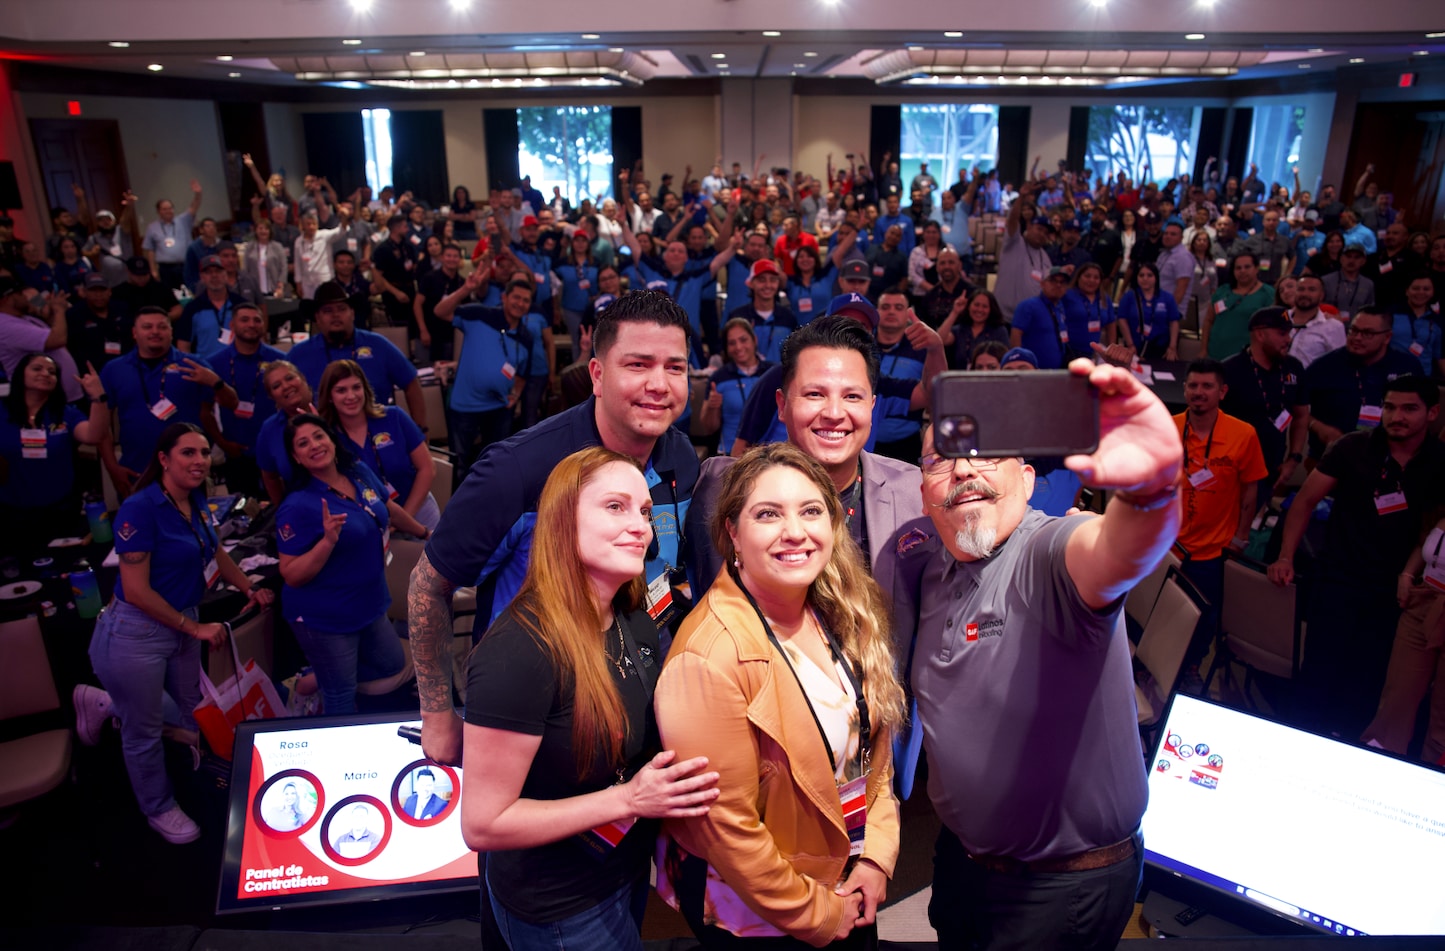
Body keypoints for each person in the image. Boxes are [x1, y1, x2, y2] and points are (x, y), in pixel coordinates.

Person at [911, 355, 1184, 951]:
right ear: (923, 491)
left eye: (986, 453)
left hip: (1059, 889)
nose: (963, 471)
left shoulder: (1047, 553)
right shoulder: (933, 566)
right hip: (965, 859)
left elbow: (1113, 550)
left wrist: (1150, 493)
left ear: (1028, 479)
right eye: (941, 459)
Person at [409, 291, 701, 769]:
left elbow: (665, 578)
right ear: (597, 375)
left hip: (641, 706)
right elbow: (427, 587)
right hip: (539, 722)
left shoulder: (681, 457)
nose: (659, 384)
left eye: (675, 367)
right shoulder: (517, 470)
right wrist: (438, 714)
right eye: (638, 365)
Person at [460, 446, 719, 951]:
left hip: (621, 870)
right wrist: (627, 800)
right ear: (561, 521)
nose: (640, 526)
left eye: (645, 512)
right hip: (560, 904)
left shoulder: (632, 617)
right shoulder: (519, 651)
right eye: (615, 507)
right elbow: (484, 824)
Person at [655, 443, 905, 948]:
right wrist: (818, 915)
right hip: (762, 919)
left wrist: (877, 852)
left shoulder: (839, 609)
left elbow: (870, 756)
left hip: (847, 882)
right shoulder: (709, 656)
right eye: (768, 514)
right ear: (733, 533)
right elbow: (728, 830)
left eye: (811, 511)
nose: (795, 531)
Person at [88, 422, 273, 843]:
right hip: (137, 634)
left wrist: (249, 587)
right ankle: (157, 807)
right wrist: (194, 627)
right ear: (164, 459)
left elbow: (217, 552)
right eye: (188, 453)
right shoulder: (140, 507)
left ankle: (108, 705)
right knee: (144, 731)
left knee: (194, 711)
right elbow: (135, 590)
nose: (199, 461)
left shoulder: (195, 502)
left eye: (205, 453)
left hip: (182, 625)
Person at [1269, 376, 1445, 740]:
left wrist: (1410, 573)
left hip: (1394, 593)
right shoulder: (1353, 447)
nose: (1396, 416)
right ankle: (1295, 745)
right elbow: (1303, 502)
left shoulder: (1439, 460)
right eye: (1390, 407)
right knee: (1318, 674)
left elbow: (1433, 527)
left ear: (1432, 413)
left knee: (1367, 682)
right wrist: (1286, 556)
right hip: (1339, 580)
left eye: (1409, 408)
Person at [276, 413, 427, 714]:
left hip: (369, 605)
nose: (315, 445)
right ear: (296, 457)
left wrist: (424, 533)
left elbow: (387, 508)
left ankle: (316, 675)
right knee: (341, 694)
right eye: (303, 444)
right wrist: (327, 541)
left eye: (319, 436)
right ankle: (323, 715)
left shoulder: (357, 471)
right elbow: (291, 575)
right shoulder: (297, 506)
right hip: (327, 617)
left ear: (331, 439)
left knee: (391, 664)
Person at [1173, 359, 1268, 668]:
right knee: (1160, 612)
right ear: (1185, 389)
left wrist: (1241, 537)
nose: (1199, 392)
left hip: (1214, 552)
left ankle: (1190, 671)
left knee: (1203, 618)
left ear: (1222, 392)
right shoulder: (1167, 428)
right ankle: (1152, 669)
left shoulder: (1243, 434)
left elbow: (1250, 491)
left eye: (1207, 386)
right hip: (1167, 547)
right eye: (1193, 386)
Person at [99, 307, 238, 498]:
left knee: (192, 526)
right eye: (147, 327)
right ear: (134, 332)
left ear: (171, 331)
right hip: (137, 469)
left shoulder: (193, 364)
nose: (155, 331)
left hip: (189, 471)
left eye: (162, 327)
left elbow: (232, 404)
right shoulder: (114, 370)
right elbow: (101, 425)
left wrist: (215, 382)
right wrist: (112, 468)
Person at [0, 353, 108, 553]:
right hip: (12, 513)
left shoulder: (66, 413)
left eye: (52, 372)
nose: (45, 374)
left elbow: (94, 435)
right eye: (37, 368)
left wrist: (98, 397)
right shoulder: (2, 412)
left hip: (62, 511)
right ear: (20, 374)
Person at [1362, 505, 1445, 762]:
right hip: (1423, 601)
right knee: (1396, 699)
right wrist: (1408, 574)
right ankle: (1376, 770)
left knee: (1442, 720)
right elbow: (1426, 545)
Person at [318, 359, 439, 533]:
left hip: (419, 513)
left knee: (428, 561)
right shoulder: (328, 438)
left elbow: (427, 468)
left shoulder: (394, 417)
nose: (351, 396)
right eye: (341, 390)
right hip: (369, 526)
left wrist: (404, 519)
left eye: (356, 387)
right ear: (329, 397)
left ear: (365, 389)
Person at [434, 270, 536, 470]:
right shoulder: (479, 314)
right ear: (504, 297)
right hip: (465, 407)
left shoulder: (526, 337)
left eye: (526, 300)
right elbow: (440, 311)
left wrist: (515, 395)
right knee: (460, 465)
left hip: (498, 410)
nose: (520, 303)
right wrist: (466, 288)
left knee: (496, 465)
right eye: (516, 297)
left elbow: (523, 374)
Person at [288, 281, 425, 425]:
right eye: (328, 310)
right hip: (323, 438)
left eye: (342, 309)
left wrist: (421, 429)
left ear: (352, 313)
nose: (335, 315)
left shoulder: (377, 345)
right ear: (317, 318)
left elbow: (411, 383)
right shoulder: (299, 355)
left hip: (378, 433)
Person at [1302, 308, 1421, 460]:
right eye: (1353, 330)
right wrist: (1318, 427)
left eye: (1367, 333)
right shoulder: (1323, 366)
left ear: (1387, 337)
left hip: (1391, 457)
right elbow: (1295, 408)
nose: (1357, 338)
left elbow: (1423, 409)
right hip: (1331, 457)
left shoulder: (1407, 366)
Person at [1219, 308, 1310, 494]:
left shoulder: (1294, 367)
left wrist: (1293, 459)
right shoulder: (1229, 370)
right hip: (1230, 466)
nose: (1288, 339)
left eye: (1289, 333)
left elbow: (1301, 416)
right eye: (1282, 333)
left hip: (1272, 467)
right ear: (1260, 334)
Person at [203, 303, 283, 498]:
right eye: (244, 319)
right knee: (243, 516)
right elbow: (204, 410)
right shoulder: (213, 363)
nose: (251, 324)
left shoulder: (280, 361)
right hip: (236, 454)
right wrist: (221, 443)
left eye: (257, 320)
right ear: (232, 324)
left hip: (276, 450)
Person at [698, 318, 773, 458]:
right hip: (731, 456)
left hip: (771, 456)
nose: (738, 347)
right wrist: (712, 407)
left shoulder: (773, 373)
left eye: (743, 340)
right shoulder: (718, 378)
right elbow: (709, 428)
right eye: (732, 343)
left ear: (754, 340)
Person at [255, 359, 316, 504]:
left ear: (302, 378)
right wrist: (282, 507)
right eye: (276, 386)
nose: (286, 386)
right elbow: (269, 476)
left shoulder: (331, 408)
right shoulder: (269, 429)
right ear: (272, 397)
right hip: (303, 508)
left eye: (289, 378)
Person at [1204, 252, 1274, 360]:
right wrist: (1203, 350)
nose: (1242, 271)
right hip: (1214, 354)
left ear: (1256, 269)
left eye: (1247, 267)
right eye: (1238, 268)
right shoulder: (1222, 291)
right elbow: (1208, 320)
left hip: (1246, 358)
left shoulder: (1267, 294)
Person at [729, 259, 798, 366]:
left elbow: (794, 354)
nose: (768, 285)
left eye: (773, 280)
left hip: (780, 379)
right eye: (761, 280)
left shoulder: (788, 317)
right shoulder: (738, 317)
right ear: (751, 283)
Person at [175, 254, 244, 359]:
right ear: (202, 277)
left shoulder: (241, 305)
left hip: (238, 366)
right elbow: (183, 346)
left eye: (218, 271)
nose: (214, 276)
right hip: (205, 369)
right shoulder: (192, 309)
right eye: (208, 272)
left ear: (226, 274)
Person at [143, 182, 203, 289]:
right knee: (170, 294)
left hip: (185, 265)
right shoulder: (152, 227)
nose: (168, 211)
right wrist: (153, 270)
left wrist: (198, 194)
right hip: (165, 269)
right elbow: (150, 251)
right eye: (164, 209)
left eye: (170, 208)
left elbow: (194, 207)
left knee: (190, 291)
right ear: (158, 211)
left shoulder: (183, 220)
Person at [1010, 266, 1072, 369]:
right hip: (1033, 372)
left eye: (1063, 282)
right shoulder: (1028, 306)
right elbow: (1015, 335)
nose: (1058, 285)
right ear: (1042, 283)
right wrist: (1018, 365)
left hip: (1058, 371)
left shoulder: (1060, 307)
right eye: (1053, 281)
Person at [1117, 262, 1180, 361]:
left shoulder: (1167, 297)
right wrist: (1130, 345)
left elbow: (1174, 322)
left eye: (1149, 275)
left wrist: (1172, 347)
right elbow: (1122, 320)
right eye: (1141, 275)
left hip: (1160, 347)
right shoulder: (1129, 296)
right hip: (1134, 346)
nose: (1145, 278)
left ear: (1156, 277)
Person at [416, 242, 465, 364]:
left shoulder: (463, 283)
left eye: (455, 256)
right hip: (430, 332)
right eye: (448, 256)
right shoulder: (429, 278)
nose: (452, 259)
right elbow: (417, 305)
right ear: (442, 257)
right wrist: (423, 330)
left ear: (459, 259)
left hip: (451, 335)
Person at [937, 288, 1009, 371]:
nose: (979, 310)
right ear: (969, 306)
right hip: (961, 379)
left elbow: (1005, 360)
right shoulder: (960, 329)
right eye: (976, 305)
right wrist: (955, 312)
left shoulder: (999, 331)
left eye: (984, 306)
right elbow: (940, 340)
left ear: (991, 309)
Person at [1390, 273, 1444, 379]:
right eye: (1416, 288)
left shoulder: (1437, 321)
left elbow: (1441, 357)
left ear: (1432, 292)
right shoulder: (1390, 314)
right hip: (1392, 375)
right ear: (1407, 291)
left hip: (1423, 378)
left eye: (1426, 289)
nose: (1421, 292)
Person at [1286, 273, 1346, 368]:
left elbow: (1340, 363)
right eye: (1301, 289)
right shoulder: (1278, 318)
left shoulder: (1333, 326)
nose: (1305, 294)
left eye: (1312, 290)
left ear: (1321, 295)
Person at [1062, 263, 1115, 358]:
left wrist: (1112, 349)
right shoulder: (1067, 294)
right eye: (1087, 276)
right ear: (1078, 277)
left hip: (1094, 352)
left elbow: (1111, 324)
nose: (1091, 280)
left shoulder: (1104, 298)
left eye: (1096, 278)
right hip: (1068, 350)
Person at [112, 255, 181, 323]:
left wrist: (162, 319)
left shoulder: (160, 288)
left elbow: (177, 308)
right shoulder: (119, 292)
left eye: (144, 274)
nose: (141, 278)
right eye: (137, 275)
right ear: (128, 272)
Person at [1320, 243, 1375, 319]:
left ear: (1363, 261)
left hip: (1356, 328)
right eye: (1348, 256)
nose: (1351, 260)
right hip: (1329, 327)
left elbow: (1369, 311)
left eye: (1356, 257)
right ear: (1341, 259)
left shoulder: (1368, 284)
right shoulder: (1325, 281)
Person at [242, 219, 289, 300]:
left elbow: (284, 268)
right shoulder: (250, 247)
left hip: (274, 289)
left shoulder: (277, 246)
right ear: (256, 230)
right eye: (260, 228)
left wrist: (280, 286)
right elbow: (246, 268)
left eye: (266, 229)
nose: (263, 231)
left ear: (270, 231)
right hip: (255, 289)